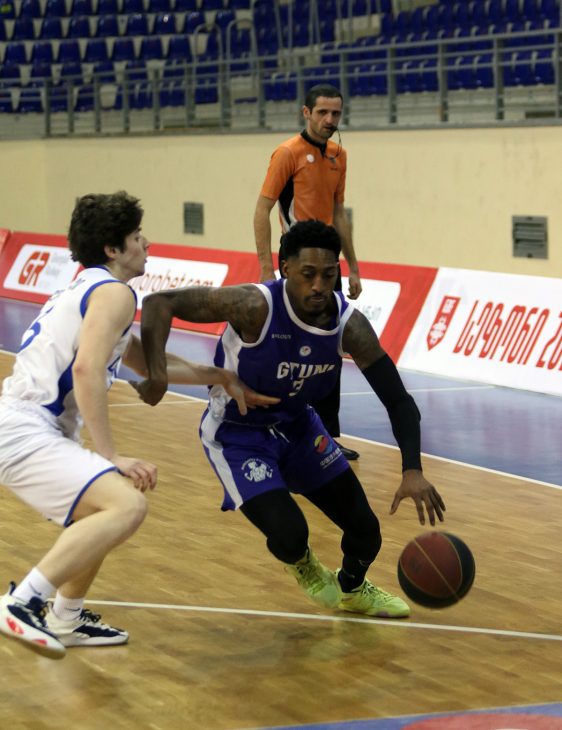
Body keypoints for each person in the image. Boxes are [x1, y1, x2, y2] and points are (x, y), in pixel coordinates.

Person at [0, 191, 277, 660]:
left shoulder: (89, 289)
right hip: (26, 428)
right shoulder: (114, 294)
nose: (146, 243)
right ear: (113, 248)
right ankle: (21, 603)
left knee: (98, 512)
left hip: (24, 427)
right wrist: (109, 455)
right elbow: (87, 369)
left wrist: (221, 376)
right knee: (127, 506)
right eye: (136, 236)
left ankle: (66, 616)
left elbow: (146, 363)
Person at [135, 219, 446, 619]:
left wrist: (412, 470)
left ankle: (353, 589)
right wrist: (158, 373)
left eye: (329, 275)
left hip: (299, 428)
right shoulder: (254, 306)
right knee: (291, 532)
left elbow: (399, 401)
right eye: (308, 274)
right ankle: (302, 562)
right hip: (238, 434)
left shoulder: (348, 325)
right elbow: (160, 303)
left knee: (366, 530)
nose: (319, 285)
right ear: (285, 269)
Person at [254, 83, 362, 461]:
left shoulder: (339, 156)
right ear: (306, 113)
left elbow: (339, 214)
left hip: (329, 266)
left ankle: (327, 436)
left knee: (330, 349)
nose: (330, 120)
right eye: (322, 113)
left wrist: (353, 267)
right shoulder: (288, 153)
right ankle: (277, 427)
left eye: (336, 113)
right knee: (287, 350)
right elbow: (262, 210)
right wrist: (267, 270)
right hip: (296, 263)